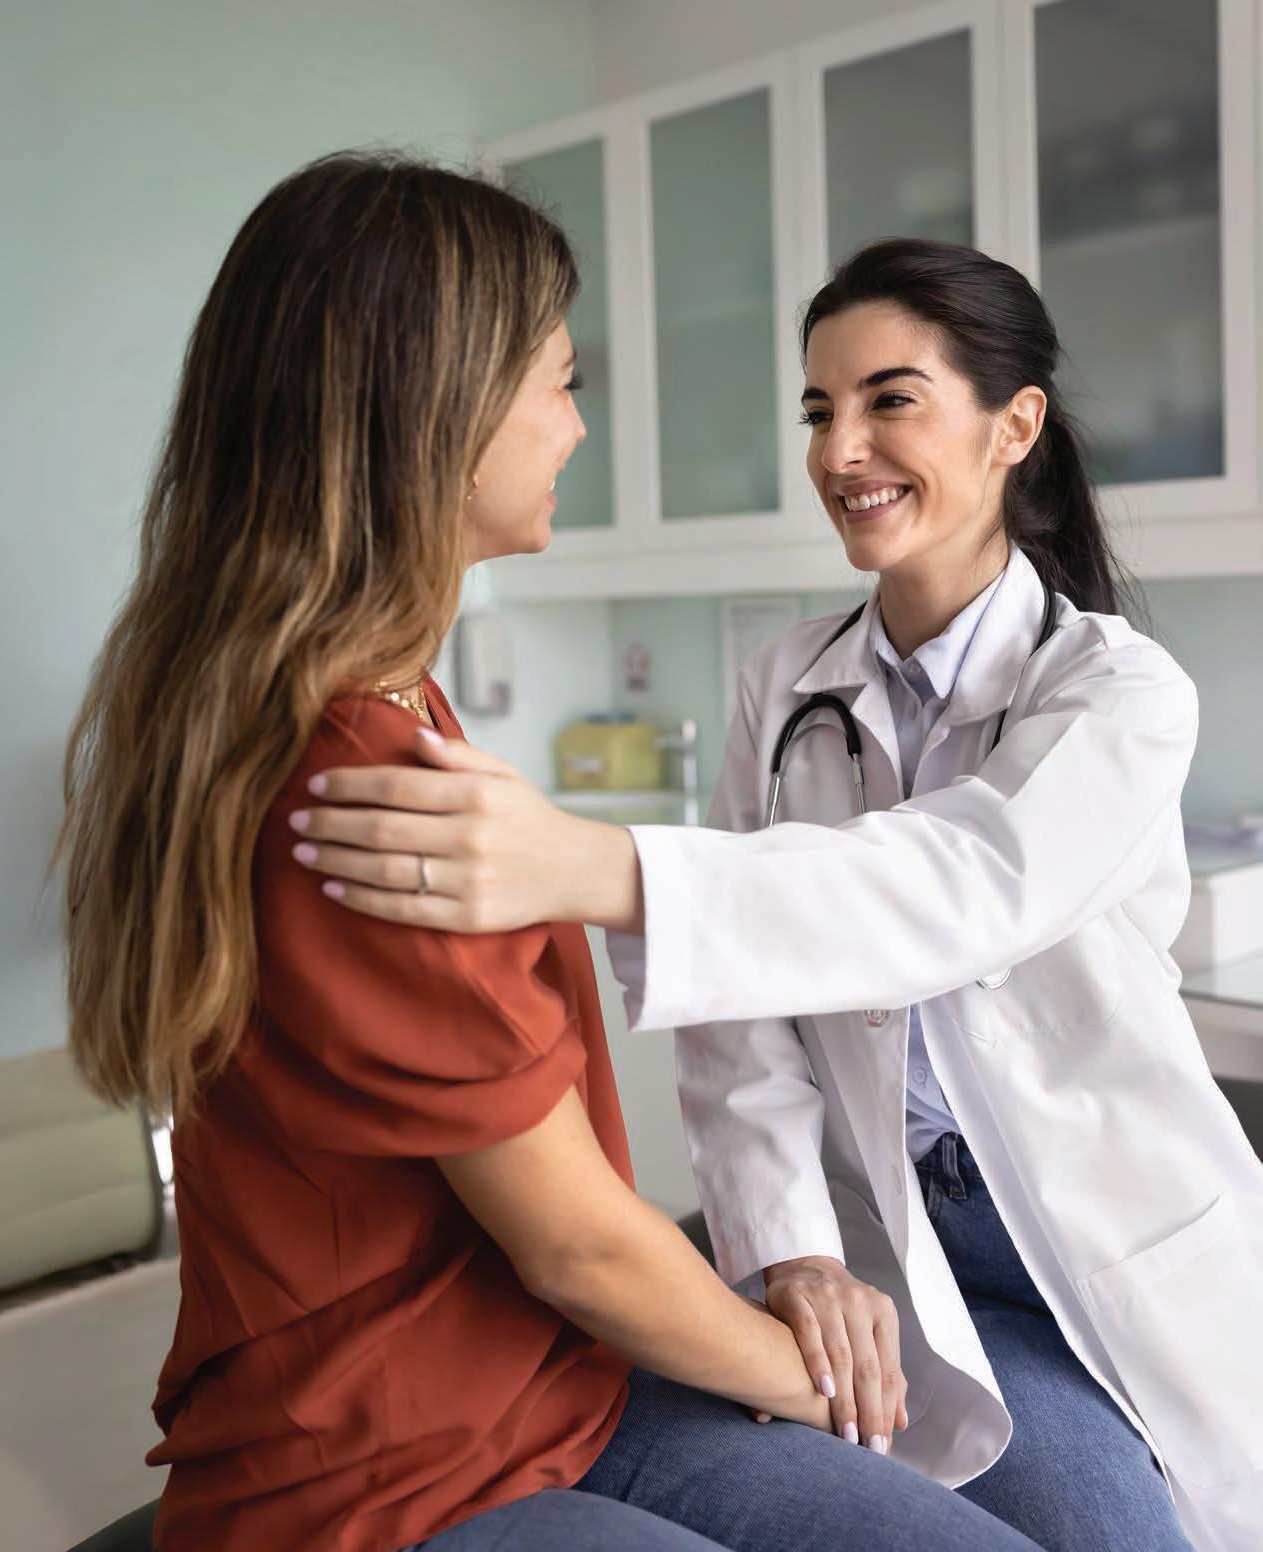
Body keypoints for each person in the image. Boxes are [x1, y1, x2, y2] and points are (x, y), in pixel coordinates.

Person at [58, 164, 1043, 1552]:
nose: (579, 425)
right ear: (436, 413)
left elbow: (957, 889)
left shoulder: (390, 706)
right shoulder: (358, 780)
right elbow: (580, 1244)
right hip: (394, 1475)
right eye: (561, 383)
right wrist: (816, 1382)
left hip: (547, 1394)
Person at [290, 238, 1263, 1552]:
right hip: (903, 1259)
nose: (840, 450)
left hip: (1101, 1253)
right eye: (819, 409)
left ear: (1015, 427)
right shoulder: (785, 682)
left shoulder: (1118, 692)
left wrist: (596, 865)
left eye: (890, 399)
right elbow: (741, 1028)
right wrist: (794, 1250)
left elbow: (960, 886)